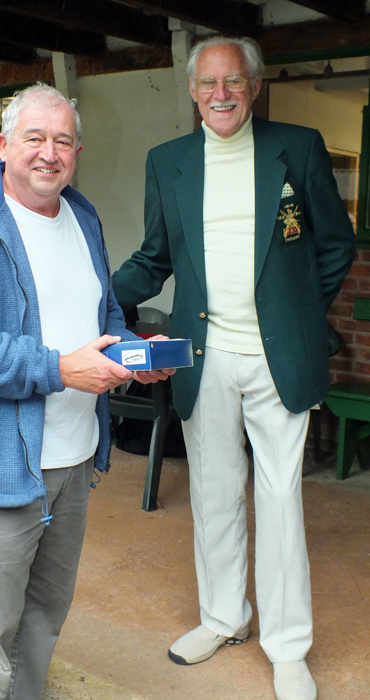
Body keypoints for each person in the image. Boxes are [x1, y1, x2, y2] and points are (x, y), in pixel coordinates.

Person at [112, 36, 356, 700]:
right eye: (207, 84)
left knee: (279, 499)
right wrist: (99, 298)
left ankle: (287, 648)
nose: (219, 94)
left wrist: (300, 312)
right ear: (191, 92)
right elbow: (155, 255)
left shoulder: (296, 147)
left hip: (279, 355)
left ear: (252, 87)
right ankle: (222, 618)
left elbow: (335, 243)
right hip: (203, 354)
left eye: (233, 82)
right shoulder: (168, 161)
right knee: (214, 494)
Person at [0, 83, 172, 700]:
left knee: (40, 624)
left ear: (77, 150)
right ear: (4, 145)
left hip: (73, 458)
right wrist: (61, 369)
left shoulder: (82, 215)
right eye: (34, 138)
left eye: (62, 140)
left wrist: (129, 356)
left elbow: (104, 311)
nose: (48, 153)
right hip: (0, 469)